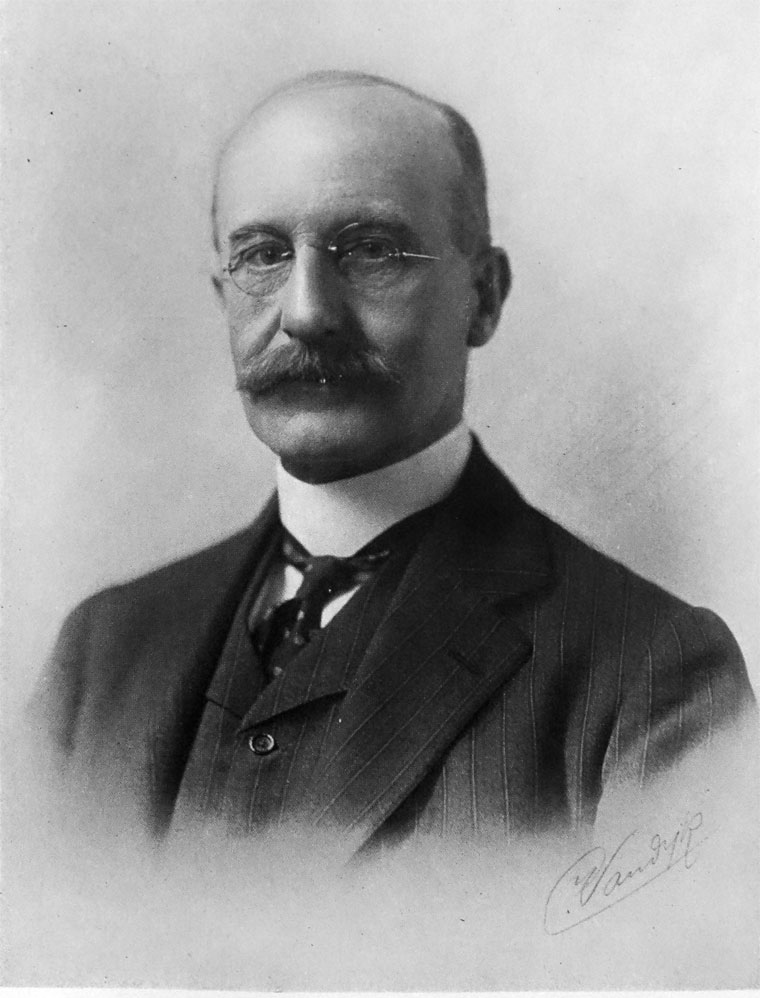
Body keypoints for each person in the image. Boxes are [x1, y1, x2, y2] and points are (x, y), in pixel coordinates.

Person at [30, 71, 755, 875]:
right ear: (222, 296)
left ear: (483, 297)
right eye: (263, 256)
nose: (307, 312)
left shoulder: (651, 674)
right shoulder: (98, 658)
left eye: (371, 250)